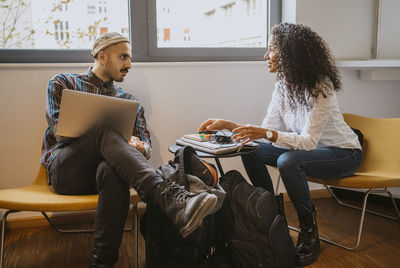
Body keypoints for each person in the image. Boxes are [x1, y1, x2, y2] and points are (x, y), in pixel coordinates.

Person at [41, 32, 218, 268]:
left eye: (130, 58)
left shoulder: (128, 101)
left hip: (104, 176)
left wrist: (139, 146)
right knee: (104, 132)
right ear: (102, 56)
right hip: (67, 170)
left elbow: (146, 144)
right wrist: (109, 138)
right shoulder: (63, 83)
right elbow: (58, 129)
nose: (129, 64)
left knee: (113, 170)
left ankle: (103, 263)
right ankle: (169, 197)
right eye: (123, 57)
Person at [199, 23, 362, 266]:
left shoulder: (321, 85)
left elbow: (307, 142)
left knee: (288, 162)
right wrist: (230, 125)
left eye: (271, 50)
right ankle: (272, 217)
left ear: (289, 53)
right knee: (250, 149)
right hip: (310, 152)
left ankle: (309, 231)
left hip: (343, 153)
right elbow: (267, 133)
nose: (266, 56)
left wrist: (267, 133)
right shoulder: (283, 86)